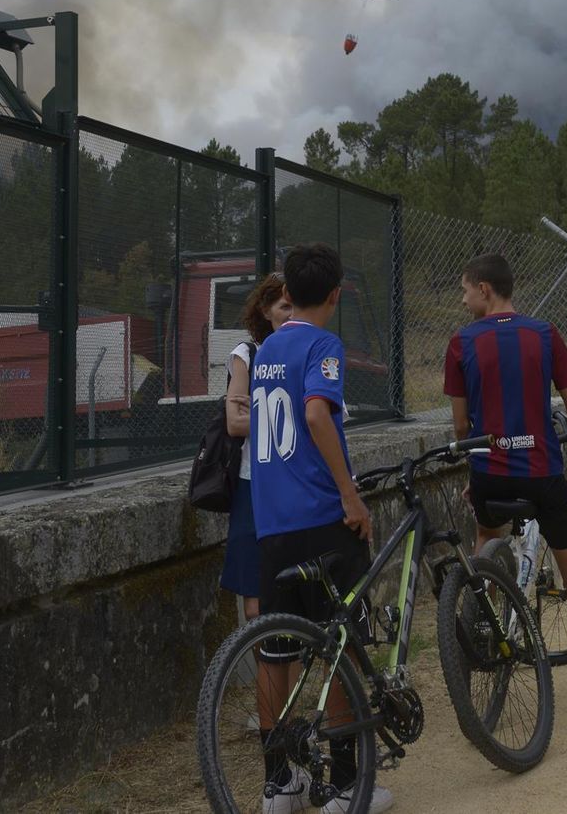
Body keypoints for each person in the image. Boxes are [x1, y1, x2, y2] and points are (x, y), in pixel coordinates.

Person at [445, 253, 567, 714]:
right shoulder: (545, 333)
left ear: (484, 289)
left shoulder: (462, 342)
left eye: (465, 290)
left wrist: (476, 471)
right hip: (542, 474)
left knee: (486, 543)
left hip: (490, 473)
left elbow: (461, 427)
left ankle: (484, 630)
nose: (464, 299)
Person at [249, 243, 391, 814]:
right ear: (335, 295)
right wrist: (350, 496)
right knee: (341, 647)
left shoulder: (266, 349)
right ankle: (345, 783)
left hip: (272, 523)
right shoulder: (323, 344)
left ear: (287, 293)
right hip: (320, 517)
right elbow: (315, 413)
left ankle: (278, 782)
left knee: (274, 652)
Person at [220, 273, 293, 626]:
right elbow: (235, 423)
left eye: (297, 307)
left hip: (293, 483)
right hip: (253, 483)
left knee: (290, 598)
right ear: (266, 311)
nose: (291, 315)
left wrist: (260, 412)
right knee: (255, 607)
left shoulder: (307, 352)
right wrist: (289, 416)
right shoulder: (247, 355)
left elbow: (322, 419)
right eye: (284, 307)